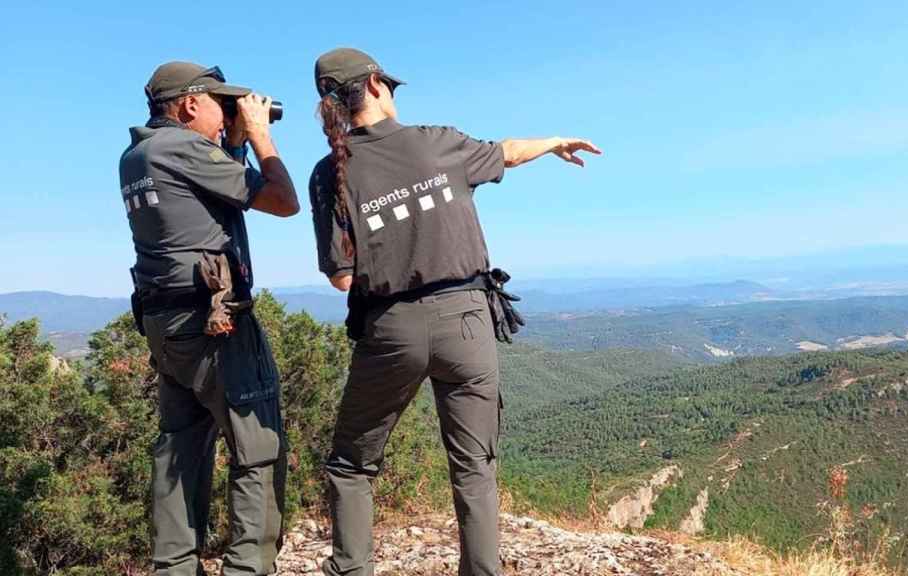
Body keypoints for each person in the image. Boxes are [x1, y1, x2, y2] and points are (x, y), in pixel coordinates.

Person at [308, 47, 601, 576]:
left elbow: (341, 276)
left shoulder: (331, 173)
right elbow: (507, 152)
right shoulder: (437, 143)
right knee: (474, 467)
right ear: (375, 85)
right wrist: (555, 142)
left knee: (352, 465)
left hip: (390, 327)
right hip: (467, 320)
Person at [119, 61, 299, 576]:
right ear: (190, 103)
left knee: (182, 446)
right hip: (216, 325)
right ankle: (249, 566)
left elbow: (214, 198)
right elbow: (282, 202)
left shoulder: (137, 155)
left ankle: (175, 565)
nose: (227, 117)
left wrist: (233, 143)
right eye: (221, 106)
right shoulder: (182, 148)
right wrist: (261, 139)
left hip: (166, 325)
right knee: (257, 446)